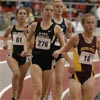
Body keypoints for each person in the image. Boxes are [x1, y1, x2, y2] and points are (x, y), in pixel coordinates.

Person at [26, 2, 72, 100]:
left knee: (55, 84)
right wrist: (28, 49)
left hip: (54, 56)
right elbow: (30, 40)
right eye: (47, 10)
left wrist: (60, 50)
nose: (49, 12)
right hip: (40, 57)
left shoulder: (62, 25)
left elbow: (66, 42)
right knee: (41, 86)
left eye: (60, 7)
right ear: (43, 11)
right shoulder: (38, 24)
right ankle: (47, 94)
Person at [53, 13, 100, 100]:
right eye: (88, 23)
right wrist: (70, 62)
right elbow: (63, 51)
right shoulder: (76, 38)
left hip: (89, 74)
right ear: (83, 24)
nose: (91, 25)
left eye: (93, 23)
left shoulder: (97, 40)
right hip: (75, 73)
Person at [45, 0, 72, 100]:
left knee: (59, 80)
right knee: (49, 77)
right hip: (48, 51)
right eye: (57, 6)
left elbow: (69, 35)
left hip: (61, 51)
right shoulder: (49, 21)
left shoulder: (67, 23)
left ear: (64, 8)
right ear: (53, 8)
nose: (59, 8)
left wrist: (69, 36)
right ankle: (47, 94)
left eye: (61, 6)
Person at [3, 7, 31, 100]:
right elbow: (5, 36)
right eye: (20, 13)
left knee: (20, 81)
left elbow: (32, 44)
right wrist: (5, 43)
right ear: (16, 16)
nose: (22, 15)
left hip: (25, 57)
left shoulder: (30, 28)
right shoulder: (11, 28)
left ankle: (17, 98)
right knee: (16, 73)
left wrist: (26, 34)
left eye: (24, 13)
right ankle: (14, 96)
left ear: (26, 16)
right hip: (13, 55)